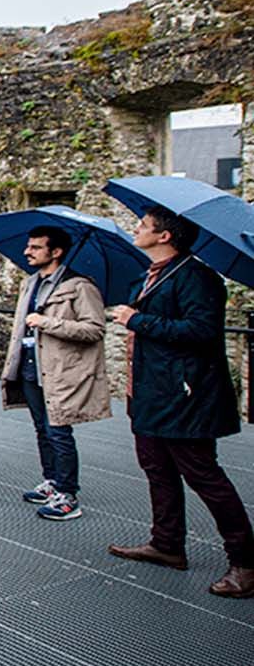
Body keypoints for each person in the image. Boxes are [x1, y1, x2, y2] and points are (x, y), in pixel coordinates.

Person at [107, 205, 252, 598]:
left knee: (204, 475)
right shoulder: (150, 275)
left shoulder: (196, 277)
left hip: (184, 396)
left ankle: (245, 562)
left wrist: (136, 320)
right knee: (157, 469)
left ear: (164, 235)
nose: (135, 229)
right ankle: (167, 544)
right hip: (150, 393)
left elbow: (201, 330)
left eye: (143, 225)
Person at [0, 225, 109, 522]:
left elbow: (95, 329)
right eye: (28, 246)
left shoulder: (80, 286)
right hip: (30, 367)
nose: (27, 252)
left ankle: (68, 494)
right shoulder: (30, 283)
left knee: (59, 431)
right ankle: (51, 481)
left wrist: (47, 323)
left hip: (59, 371)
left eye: (35, 247)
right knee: (42, 429)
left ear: (56, 252)